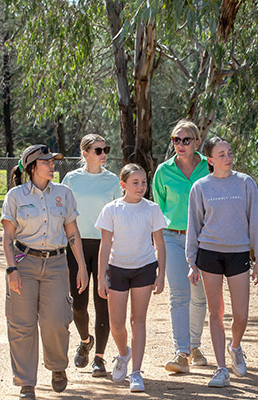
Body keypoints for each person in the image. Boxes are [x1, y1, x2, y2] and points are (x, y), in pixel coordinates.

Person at [1, 144, 89, 399]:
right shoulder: (16, 196)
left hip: (56, 264)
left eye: (53, 161)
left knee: (56, 321)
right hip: (24, 262)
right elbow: (7, 238)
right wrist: (11, 270)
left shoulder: (64, 193)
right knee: (22, 324)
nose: (52, 165)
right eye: (46, 161)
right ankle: (26, 382)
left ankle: (57, 367)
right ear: (31, 167)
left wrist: (81, 266)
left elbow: (72, 232)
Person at [185, 137, 258, 388]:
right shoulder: (200, 187)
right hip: (209, 253)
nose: (228, 158)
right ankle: (221, 368)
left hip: (238, 253)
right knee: (216, 312)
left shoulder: (245, 183)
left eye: (229, 153)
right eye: (221, 154)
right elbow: (194, 225)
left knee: (241, 314)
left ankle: (235, 346)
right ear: (210, 160)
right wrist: (192, 260)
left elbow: (256, 221)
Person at [95, 163, 167, 392]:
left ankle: (136, 372)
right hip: (117, 270)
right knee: (116, 324)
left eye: (144, 182)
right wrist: (100, 277)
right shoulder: (111, 209)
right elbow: (105, 245)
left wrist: (161, 274)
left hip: (144, 269)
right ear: (123, 185)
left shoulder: (152, 209)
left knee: (138, 321)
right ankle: (123, 353)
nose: (141, 187)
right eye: (135, 183)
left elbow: (160, 244)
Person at [152, 119, 210, 373]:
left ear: (197, 142)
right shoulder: (163, 172)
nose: (181, 144)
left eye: (187, 140)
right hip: (173, 238)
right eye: (177, 139)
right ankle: (181, 352)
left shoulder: (209, 167)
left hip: (204, 239)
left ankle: (195, 345)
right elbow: (159, 208)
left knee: (199, 295)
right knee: (179, 294)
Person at [61, 134, 122, 377]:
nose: (103, 153)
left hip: (105, 246)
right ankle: (86, 341)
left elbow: (119, 215)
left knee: (102, 302)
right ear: (85, 153)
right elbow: (63, 213)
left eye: (105, 149)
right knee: (78, 304)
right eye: (98, 150)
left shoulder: (113, 180)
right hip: (76, 246)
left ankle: (100, 358)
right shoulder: (71, 179)